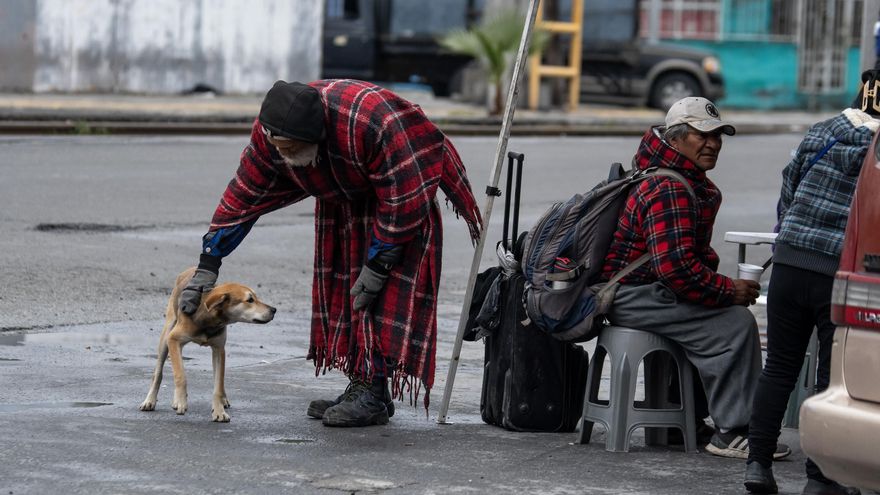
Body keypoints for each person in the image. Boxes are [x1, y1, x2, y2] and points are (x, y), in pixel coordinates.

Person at [178, 79, 482, 427]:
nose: (284, 157)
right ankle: (368, 388)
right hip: (343, 201)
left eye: (292, 150)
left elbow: (402, 195)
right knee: (345, 294)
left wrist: (381, 261)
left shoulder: (371, 124)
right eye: (279, 149)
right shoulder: (270, 133)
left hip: (401, 201)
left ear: (318, 137)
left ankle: (371, 392)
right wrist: (208, 264)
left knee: (379, 297)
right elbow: (244, 194)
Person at [601, 97, 791, 460]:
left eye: (718, 136)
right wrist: (727, 290)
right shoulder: (669, 187)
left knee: (713, 316)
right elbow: (675, 270)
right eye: (702, 136)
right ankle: (734, 431)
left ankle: (680, 419)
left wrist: (715, 290)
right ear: (675, 140)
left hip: (643, 290)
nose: (713, 144)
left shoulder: (672, 176)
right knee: (735, 324)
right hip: (633, 295)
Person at [743, 71, 880, 495]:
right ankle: (821, 479)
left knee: (779, 368)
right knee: (830, 377)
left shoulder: (822, 132)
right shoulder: (878, 150)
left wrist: (792, 237)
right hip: (836, 275)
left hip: (788, 265)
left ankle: (757, 465)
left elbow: (789, 190)